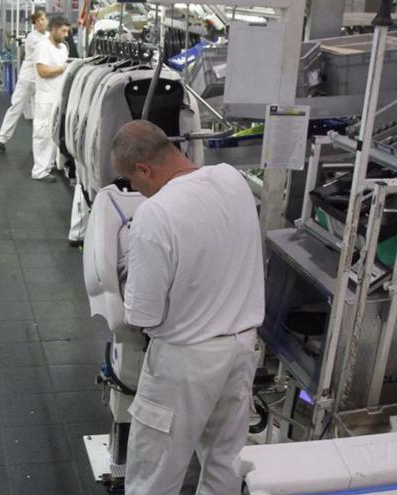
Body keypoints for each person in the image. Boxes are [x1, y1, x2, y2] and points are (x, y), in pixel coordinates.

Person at [110, 120, 265, 495]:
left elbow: (143, 315)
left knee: (155, 471)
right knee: (224, 461)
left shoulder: (155, 214)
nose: (136, 190)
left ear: (145, 169)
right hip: (241, 349)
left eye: (133, 181)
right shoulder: (232, 180)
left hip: (185, 363)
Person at [0, 11, 48, 152]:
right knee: (16, 107)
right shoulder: (32, 37)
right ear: (35, 23)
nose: (43, 22)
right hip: (27, 78)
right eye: (40, 20)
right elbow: (42, 54)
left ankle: (39, 143)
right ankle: (1, 137)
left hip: (41, 79)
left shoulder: (47, 36)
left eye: (44, 19)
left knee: (40, 112)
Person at [30, 15, 69, 183]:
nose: (66, 34)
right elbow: (43, 71)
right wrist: (63, 69)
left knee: (53, 134)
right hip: (45, 98)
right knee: (42, 134)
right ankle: (39, 171)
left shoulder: (63, 49)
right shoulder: (42, 46)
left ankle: (49, 165)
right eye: (63, 30)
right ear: (53, 29)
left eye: (67, 31)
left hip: (58, 97)